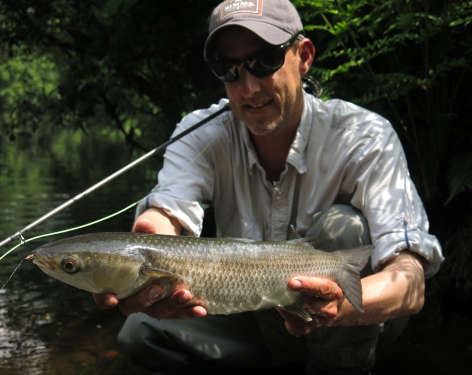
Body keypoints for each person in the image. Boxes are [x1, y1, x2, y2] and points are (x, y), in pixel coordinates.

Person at [94, 0, 444, 374]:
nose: (248, 87)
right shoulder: (200, 134)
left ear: (304, 56)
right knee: (141, 332)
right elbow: (168, 213)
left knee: (345, 227)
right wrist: (149, 239)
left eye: (265, 61)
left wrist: (335, 307)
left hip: (355, 319)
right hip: (256, 313)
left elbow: (410, 279)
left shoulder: (365, 136)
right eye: (228, 69)